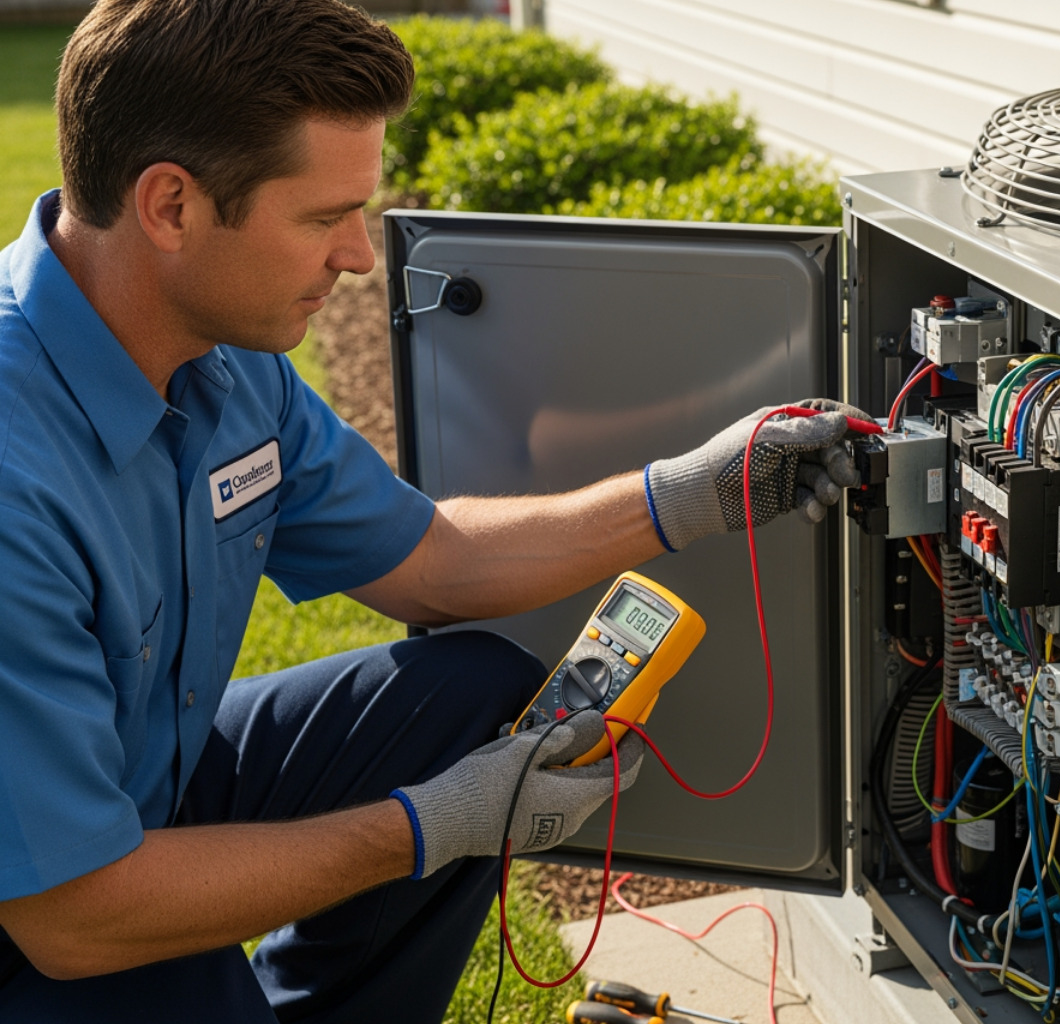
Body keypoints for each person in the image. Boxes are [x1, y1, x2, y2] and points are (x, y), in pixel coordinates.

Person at [0, 1, 864, 1020]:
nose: (360, 257)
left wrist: (691, 494)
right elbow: (70, 917)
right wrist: (430, 826)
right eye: (324, 217)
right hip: (43, 914)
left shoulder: (223, 364)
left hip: (141, 773)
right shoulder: (17, 475)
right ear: (171, 207)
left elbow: (434, 558)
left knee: (471, 698)